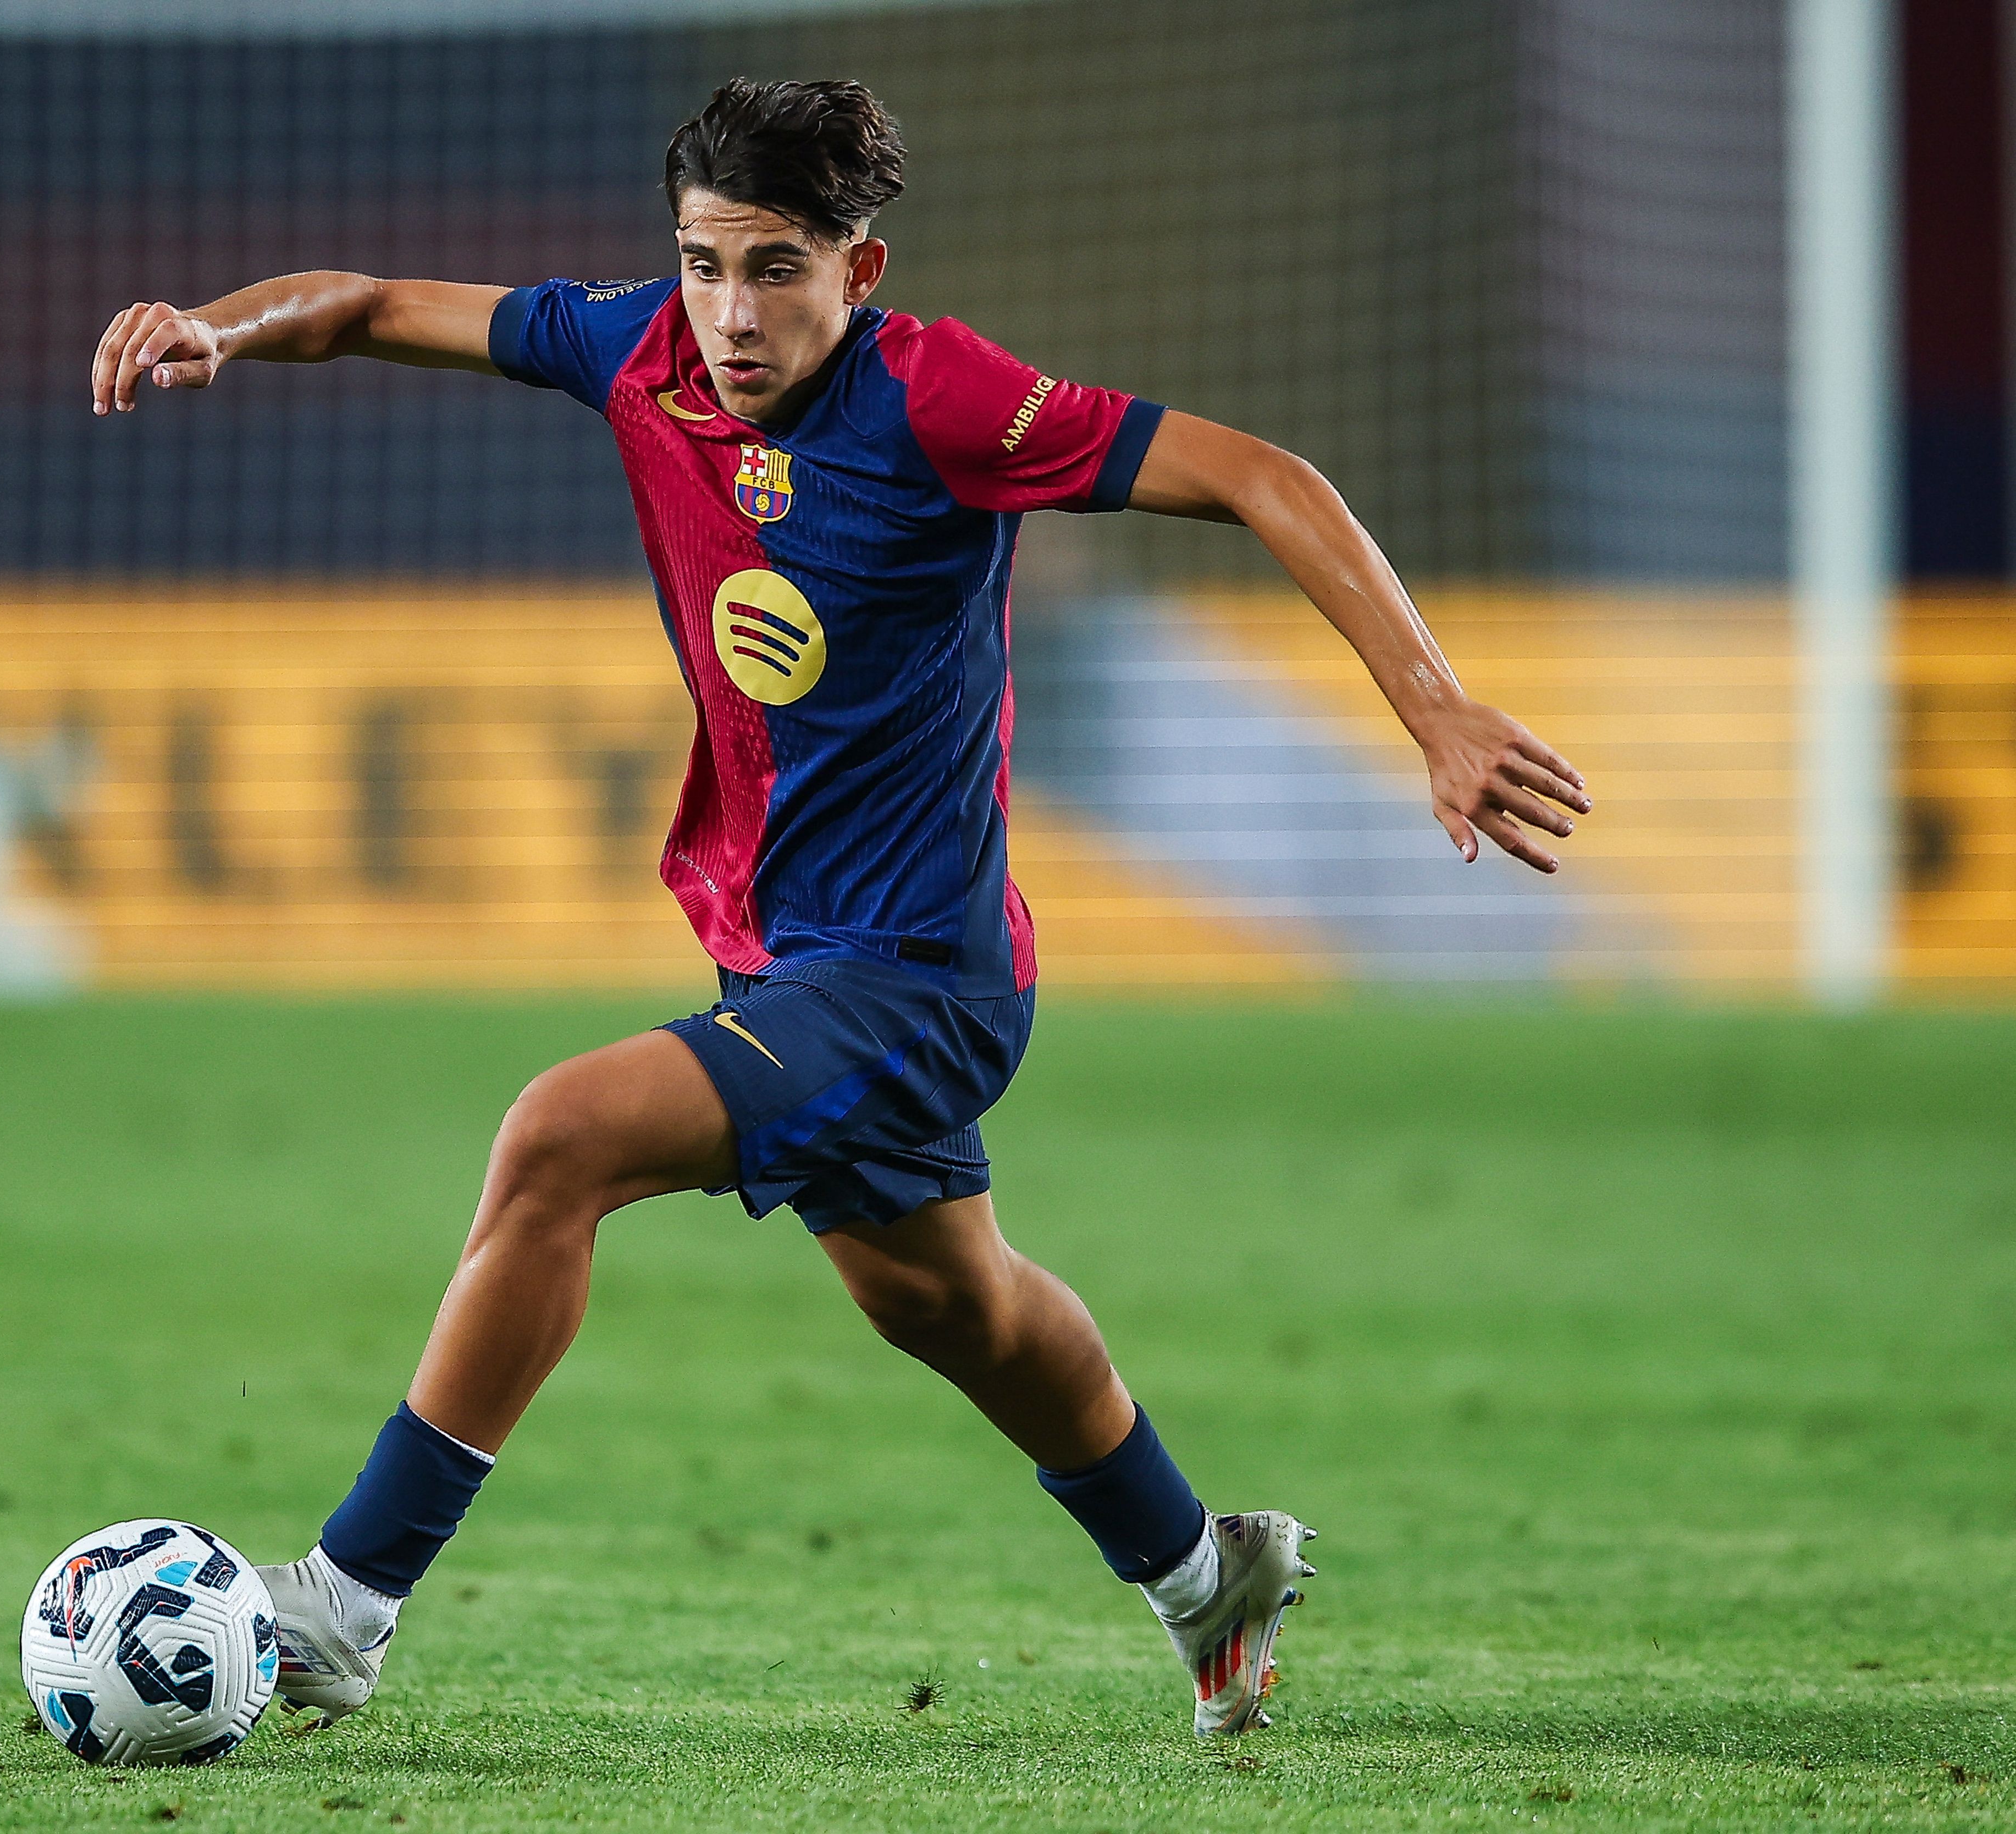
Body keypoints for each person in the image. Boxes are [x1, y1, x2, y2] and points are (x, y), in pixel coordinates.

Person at [89, 78, 1588, 1738]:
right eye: (704, 262)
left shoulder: (949, 403)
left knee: (560, 1137)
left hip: (916, 978)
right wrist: (218, 329)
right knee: (951, 1304)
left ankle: (345, 1604)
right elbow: (368, 307)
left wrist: (1434, 706)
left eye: (776, 270)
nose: (730, 314)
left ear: (857, 274)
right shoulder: (635, 347)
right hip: (780, 948)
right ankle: (1201, 1575)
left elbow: (1259, 471)